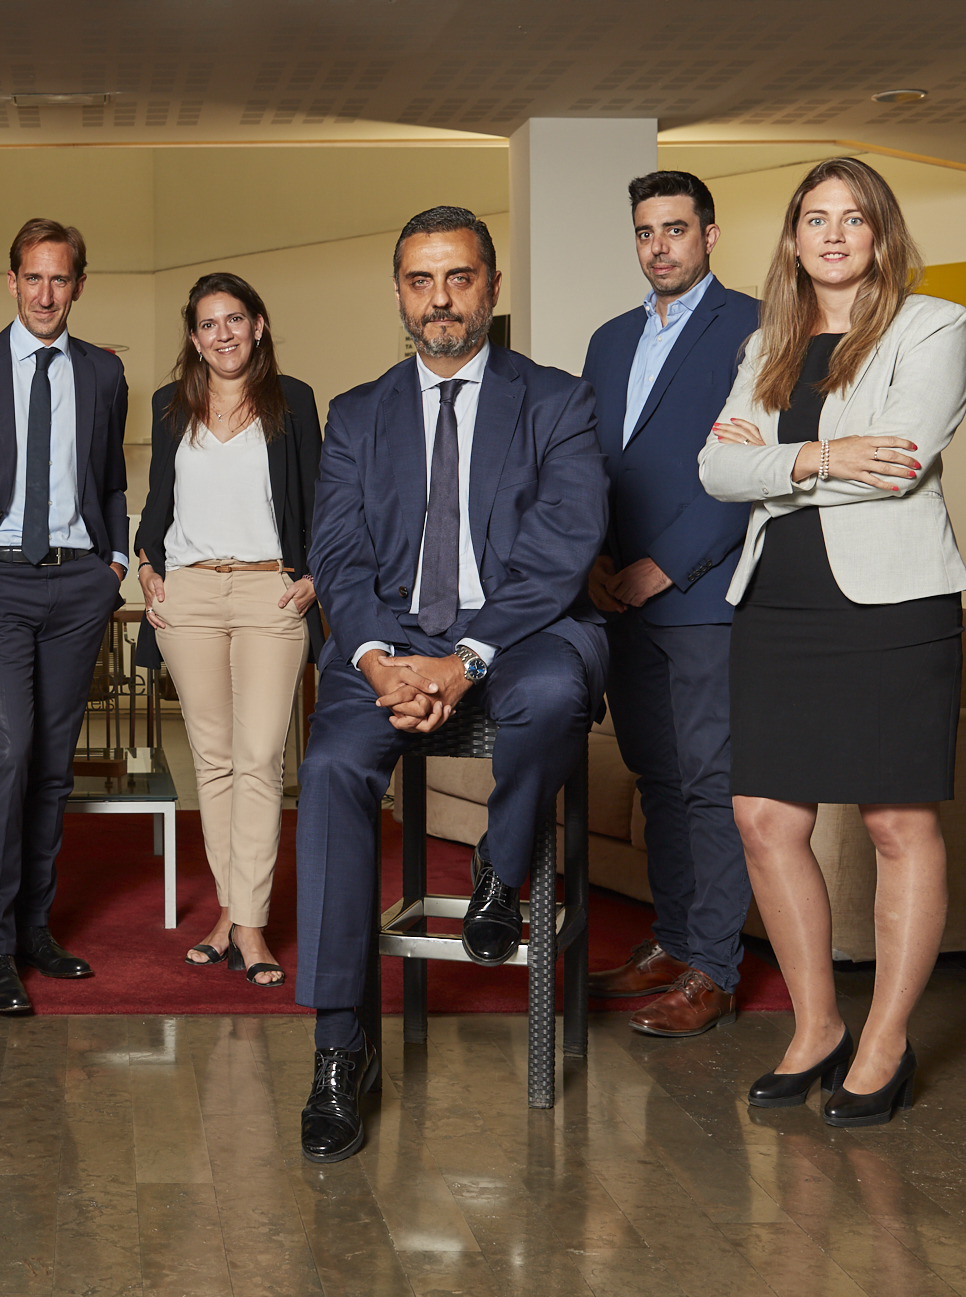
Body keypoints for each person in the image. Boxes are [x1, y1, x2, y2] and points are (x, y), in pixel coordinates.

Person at [295, 206, 607, 1163]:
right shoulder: (356, 413)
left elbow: (561, 548)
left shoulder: (557, 400)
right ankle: (341, 1047)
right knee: (331, 769)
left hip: (523, 631)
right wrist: (377, 659)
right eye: (421, 280)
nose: (440, 299)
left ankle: (498, 871)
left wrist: (464, 659)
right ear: (399, 294)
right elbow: (338, 554)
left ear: (491, 288)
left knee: (551, 697)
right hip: (388, 642)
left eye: (459, 278)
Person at [701, 157, 966, 1128]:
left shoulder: (931, 324)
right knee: (763, 818)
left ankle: (886, 1041)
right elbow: (714, 469)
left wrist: (774, 465)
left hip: (891, 603)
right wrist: (821, 455)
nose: (831, 234)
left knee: (896, 823)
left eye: (852, 218)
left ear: (879, 234)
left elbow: (896, 464)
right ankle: (815, 1026)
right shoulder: (767, 342)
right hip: (778, 599)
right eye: (814, 218)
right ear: (792, 238)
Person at [0, 218, 130, 1015]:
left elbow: (109, 476)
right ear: (13, 281)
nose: (47, 294)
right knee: (7, 752)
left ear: (78, 284)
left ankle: (33, 929)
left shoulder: (104, 372)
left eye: (61, 279)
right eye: (34, 278)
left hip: (80, 583)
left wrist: (114, 563)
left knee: (51, 763)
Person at [579, 172, 762, 1038]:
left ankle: (714, 970)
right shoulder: (610, 339)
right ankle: (676, 941)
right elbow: (589, 463)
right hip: (617, 597)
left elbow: (754, 470)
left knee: (709, 781)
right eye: (646, 231)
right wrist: (594, 559)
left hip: (702, 596)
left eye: (676, 229)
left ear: (709, 235)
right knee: (656, 776)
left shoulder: (755, 326)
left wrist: (665, 566)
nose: (659, 246)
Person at [134, 272, 322, 989]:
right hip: (189, 593)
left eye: (234, 319)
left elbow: (322, 501)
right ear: (193, 336)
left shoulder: (293, 400)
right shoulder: (170, 405)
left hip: (269, 591)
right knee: (212, 760)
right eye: (208, 324)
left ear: (258, 324)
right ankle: (233, 915)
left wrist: (316, 576)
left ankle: (249, 920)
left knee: (261, 757)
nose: (223, 334)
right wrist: (146, 565)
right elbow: (158, 501)